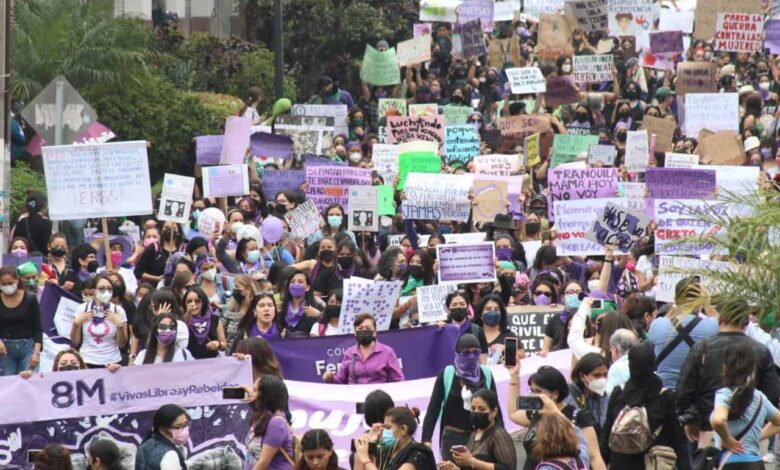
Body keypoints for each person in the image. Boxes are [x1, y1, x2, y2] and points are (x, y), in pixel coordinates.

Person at [677, 298, 780, 449]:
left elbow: (685, 390)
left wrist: (690, 419)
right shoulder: (761, 351)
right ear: (746, 322)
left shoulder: (702, 348)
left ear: (720, 319)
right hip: (749, 436)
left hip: (709, 431)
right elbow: (771, 394)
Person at [600, 341, 691, 469]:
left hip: (620, 463)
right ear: (653, 365)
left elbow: (607, 433)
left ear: (631, 366)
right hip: (653, 463)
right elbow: (677, 438)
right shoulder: (664, 396)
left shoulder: (619, 393)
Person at [507, 357, 607, 470]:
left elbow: (594, 457)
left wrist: (554, 412)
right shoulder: (536, 414)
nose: (534, 396)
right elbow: (513, 413)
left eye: (539, 391)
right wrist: (514, 376)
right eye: (532, 391)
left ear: (554, 393)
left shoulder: (577, 417)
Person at [422, 334, 500, 461]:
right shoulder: (447, 375)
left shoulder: (485, 374)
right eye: (466, 352)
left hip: (483, 438)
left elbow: (496, 408)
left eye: (475, 352)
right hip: (453, 439)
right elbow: (433, 410)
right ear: (457, 353)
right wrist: (426, 439)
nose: (471, 356)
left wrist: (501, 437)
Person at [711, 342, 780, 469]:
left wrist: (727, 439)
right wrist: (755, 436)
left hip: (730, 463)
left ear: (725, 368)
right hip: (755, 464)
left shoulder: (725, 394)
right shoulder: (759, 397)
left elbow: (718, 420)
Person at [648, 277, 719, 389]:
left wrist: (676, 306)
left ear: (675, 299)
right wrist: (707, 304)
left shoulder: (657, 325)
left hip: (663, 394)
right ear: (700, 300)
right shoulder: (711, 326)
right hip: (693, 395)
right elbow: (723, 324)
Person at [439, 389, 516, 470]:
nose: (476, 412)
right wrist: (455, 468)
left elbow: (508, 468)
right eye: (473, 408)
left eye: (481, 409)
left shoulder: (498, 435)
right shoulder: (474, 434)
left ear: (494, 412)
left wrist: (472, 461)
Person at [322, 314, 404, 384]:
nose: (364, 331)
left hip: (379, 399)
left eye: (368, 328)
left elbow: (398, 380)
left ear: (375, 332)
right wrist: (330, 378)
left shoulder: (387, 352)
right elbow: (340, 380)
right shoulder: (349, 353)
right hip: (355, 399)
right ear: (355, 332)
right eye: (360, 328)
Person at [70, 274, 129, 368]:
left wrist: (119, 326)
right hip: (87, 360)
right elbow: (75, 341)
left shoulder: (118, 311)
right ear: (94, 291)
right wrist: (76, 324)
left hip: (112, 362)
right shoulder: (82, 308)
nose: (106, 291)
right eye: (102, 288)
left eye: (109, 289)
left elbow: (122, 345)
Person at [354, 407, 436, 470]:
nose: (384, 432)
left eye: (388, 428)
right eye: (384, 428)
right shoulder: (387, 452)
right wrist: (372, 442)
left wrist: (365, 460)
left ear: (403, 429)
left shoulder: (418, 453)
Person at [244, 375, 294, 470]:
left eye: (255, 390)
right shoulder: (262, 417)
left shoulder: (277, 424)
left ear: (265, 396)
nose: (251, 393)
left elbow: (263, 463)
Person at [0, 266, 42, 375]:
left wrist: (36, 353)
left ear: (17, 280)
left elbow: (38, 328)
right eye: (4, 284)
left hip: (28, 347)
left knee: (29, 382)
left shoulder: (30, 298)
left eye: (10, 283)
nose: (7, 286)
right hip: (5, 350)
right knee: (7, 385)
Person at [568, 353, 611, 438]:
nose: (602, 379)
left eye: (605, 375)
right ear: (582, 376)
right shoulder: (569, 397)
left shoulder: (605, 397)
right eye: (597, 375)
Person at [135, 404, 189, 469]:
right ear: (163, 429)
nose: (184, 430)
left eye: (186, 425)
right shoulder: (169, 454)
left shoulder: (145, 444)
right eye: (178, 426)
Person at [182, 286, 226, 359]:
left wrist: (218, 344)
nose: (193, 304)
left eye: (197, 301)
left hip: (211, 364)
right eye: (189, 301)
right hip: (188, 365)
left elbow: (224, 346)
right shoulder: (180, 321)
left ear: (203, 302)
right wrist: (187, 314)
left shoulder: (214, 319)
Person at [605, 329, 638, 394]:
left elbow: (609, 395)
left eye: (611, 351)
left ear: (615, 349)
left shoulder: (616, 368)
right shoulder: (644, 362)